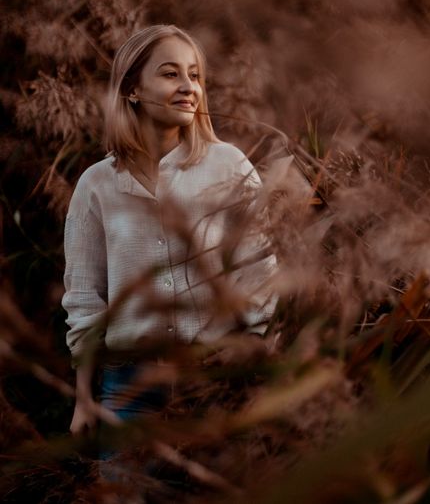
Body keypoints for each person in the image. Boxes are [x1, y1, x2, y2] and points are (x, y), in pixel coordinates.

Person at [61, 24, 277, 462]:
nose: (188, 87)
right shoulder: (96, 184)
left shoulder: (229, 165)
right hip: (127, 389)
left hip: (213, 380)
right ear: (133, 90)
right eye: (170, 74)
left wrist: (254, 355)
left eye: (195, 75)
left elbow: (259, 270)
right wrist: (85, 399)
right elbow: (84, 299)